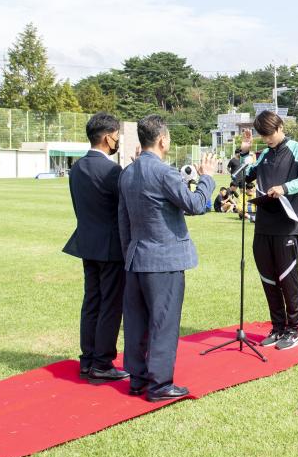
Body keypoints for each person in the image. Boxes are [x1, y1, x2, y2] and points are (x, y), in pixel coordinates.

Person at [119, 116, 216, 401]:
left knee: (136, 322)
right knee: (164, 321)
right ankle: (159, 384)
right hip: (165, 259)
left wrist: (129, 254)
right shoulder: (164, 173)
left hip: (137, 257)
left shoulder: (128, 172)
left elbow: (123, 220)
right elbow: (196, 205)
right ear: (163, 140)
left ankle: (137, 379)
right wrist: (207, 177)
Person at [236, 111, 298, 350]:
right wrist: (244, 152)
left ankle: (294, 330)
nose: (268, 139)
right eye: (263, 136)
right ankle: (278, 327)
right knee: (269, 279)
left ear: (280, 127)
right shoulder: (263, 154)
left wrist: (285, 187)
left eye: (270, 134)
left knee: (288, 280)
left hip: (288, 225)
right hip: (263, 225)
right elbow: (244, 178)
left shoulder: (297, 149)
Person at [62, 113, 129, 382]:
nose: (117, 141)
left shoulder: (77, 168)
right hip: (111, 247)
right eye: (116, 135)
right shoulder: (112, 171)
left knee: (91, 302)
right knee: (111, 305)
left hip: (87, 243)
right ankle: (102, 362)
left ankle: (88, 359)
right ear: (107, 137)